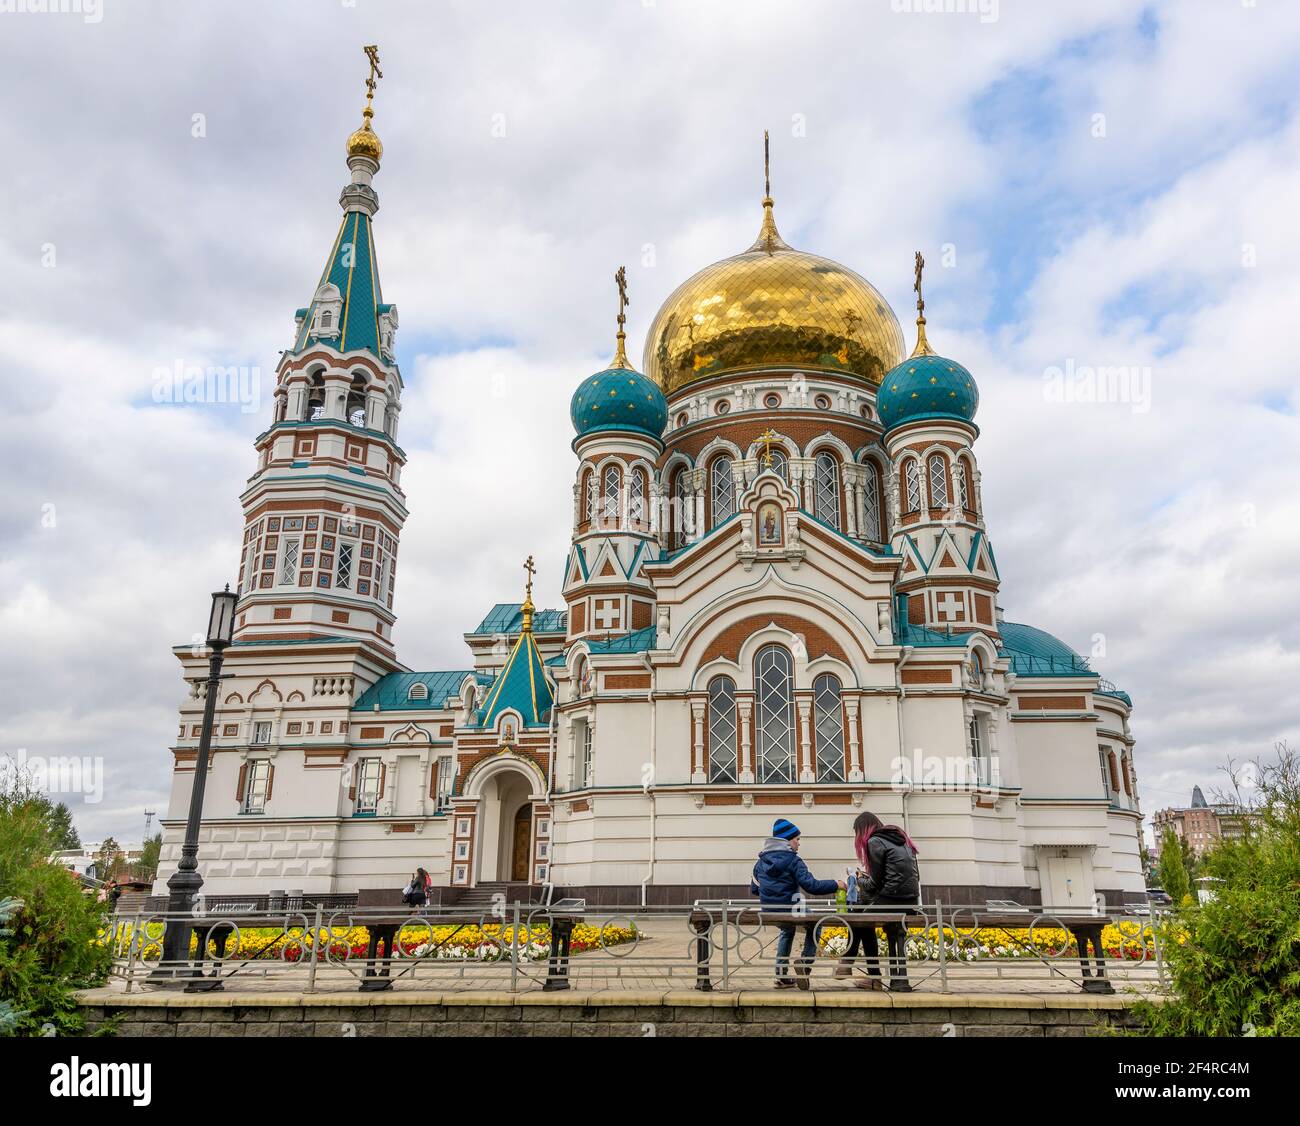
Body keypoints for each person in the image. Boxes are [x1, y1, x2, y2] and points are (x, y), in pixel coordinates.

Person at [749, 818, 845, 990]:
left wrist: (771, 895)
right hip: (791, 908)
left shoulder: (760, 862)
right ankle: (805, 965)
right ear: (786, 840)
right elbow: (812, 886)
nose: (799, 844)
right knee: (815, 923)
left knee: (787, 930)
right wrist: (836, 884)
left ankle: (781, 976)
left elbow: (755, 889)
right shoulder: (794, 860)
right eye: (797, 839)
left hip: (769, 911)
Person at [837, 811, 920, 991]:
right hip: (911, 902)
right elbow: (905, 875)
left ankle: (854, 966)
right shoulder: (901, 839)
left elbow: (874, 884)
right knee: (861, 915)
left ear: (863, 830)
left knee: (860, 919)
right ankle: (862, 971)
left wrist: (858, 878)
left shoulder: (874, 841)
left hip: (893, 900)